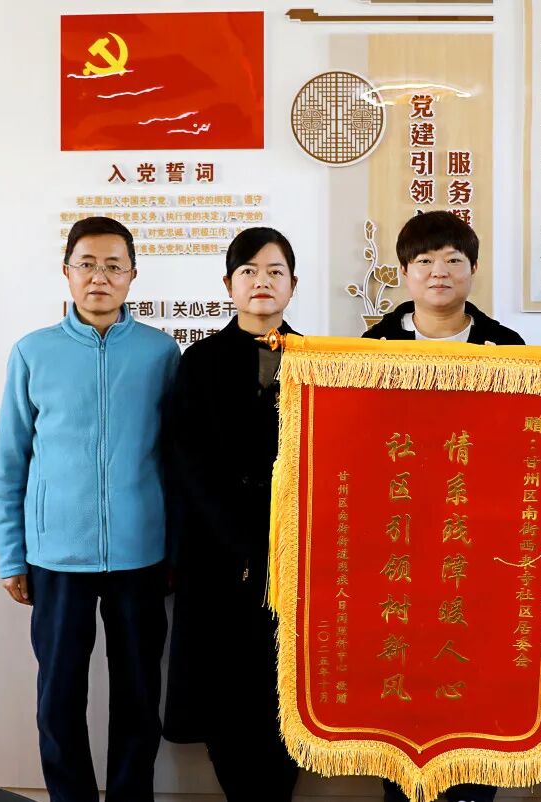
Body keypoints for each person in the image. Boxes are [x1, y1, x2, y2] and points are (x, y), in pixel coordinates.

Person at [0, 216, 180, 802]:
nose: (100, 277)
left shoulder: (160, 352)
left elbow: (176, 459)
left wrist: (174, 550)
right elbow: (10, 460)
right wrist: (11, 555)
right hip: (56, 558)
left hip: (140, 555)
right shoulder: (33, 352)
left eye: (113, 266)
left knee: (138, 695)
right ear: (67, 271)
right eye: (88, 265)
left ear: (133, 275)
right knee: (59, 696)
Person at [364, 210, 522, 802]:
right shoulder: (370, 351)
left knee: (472, 683)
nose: (439, 272)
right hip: (396, 550)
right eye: (425, 260)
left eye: (454, 259)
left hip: (477, 552)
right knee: (400, 683)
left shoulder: (508, 349)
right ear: (405, 272)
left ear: (473, 269)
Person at [162, 227, 301, 801]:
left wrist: (280, 540)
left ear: (293, 284)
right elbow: (187, 460)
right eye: (248, 271)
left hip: (295, 554)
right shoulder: (199, 360)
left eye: (274, 271)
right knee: (224, 691)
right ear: (228, 284)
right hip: (217, 554)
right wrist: (241, 542)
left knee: (284, 689)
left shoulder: (318, 360)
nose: (261, 282)